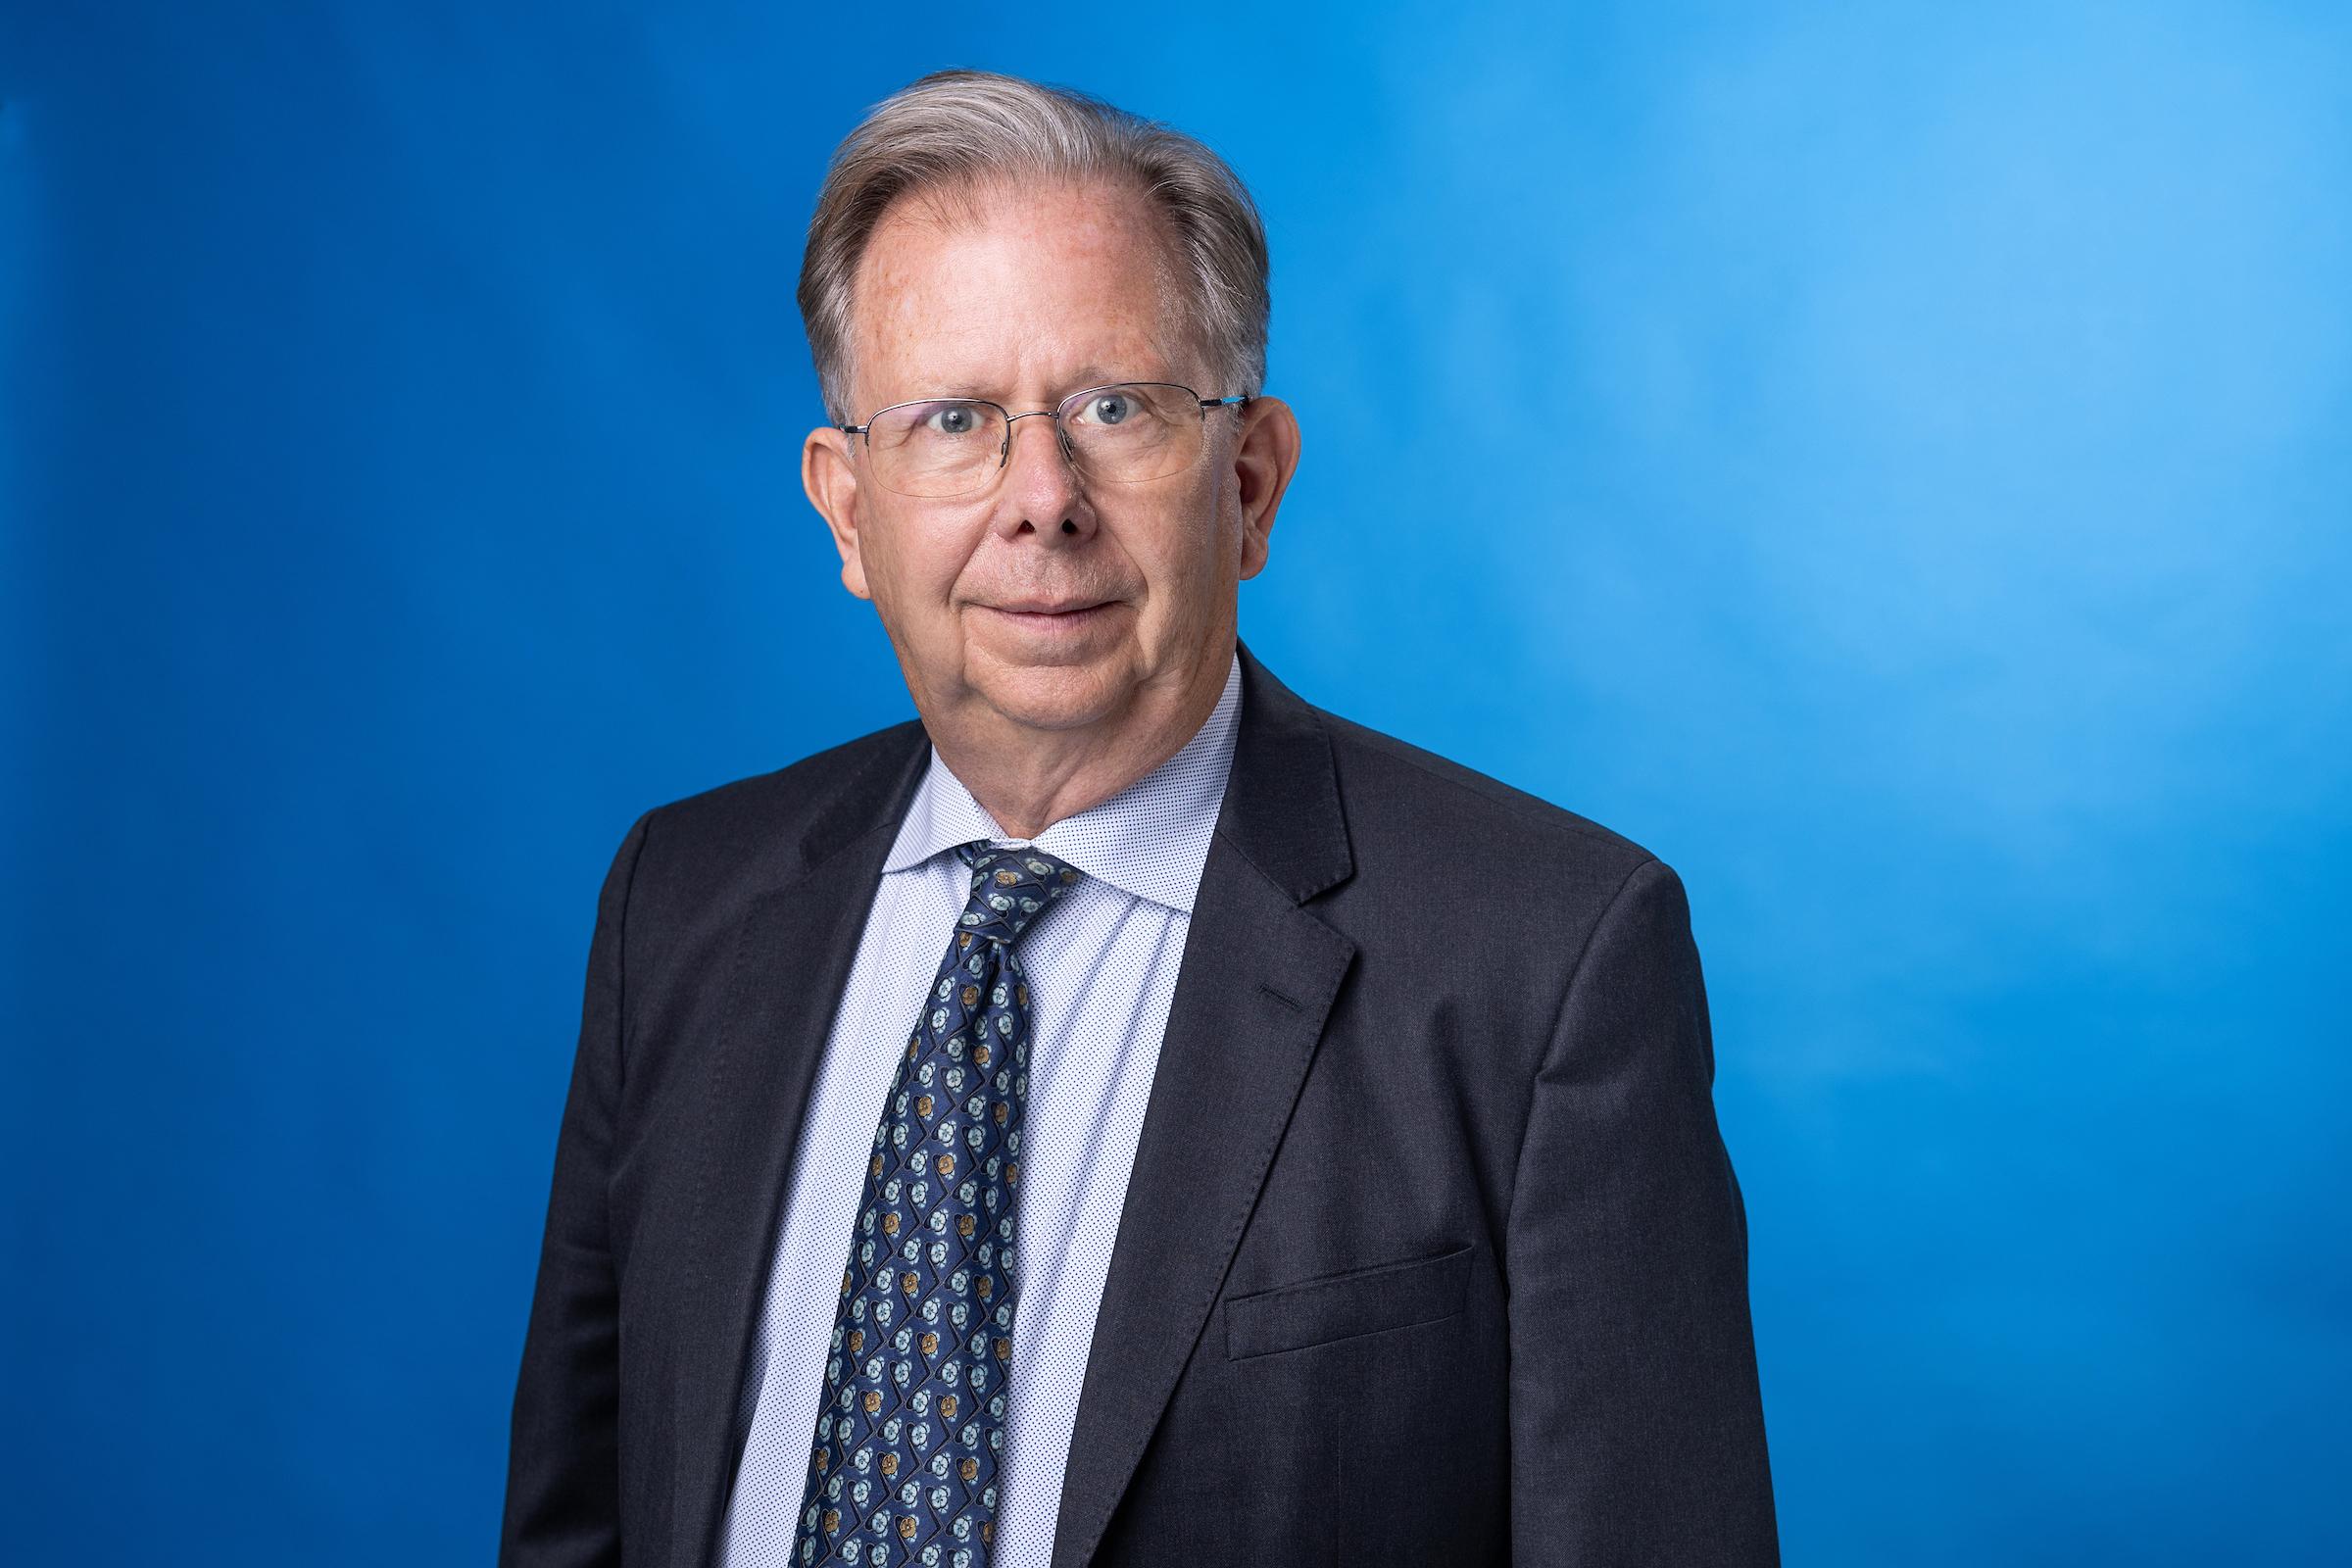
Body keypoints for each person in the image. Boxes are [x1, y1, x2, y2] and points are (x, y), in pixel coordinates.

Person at [500, 69, 1778, 1568]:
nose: (1041, 497)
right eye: (956, 419)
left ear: (1250, 482)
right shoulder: (684, 903)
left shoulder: (1544, 962)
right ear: (849, 512)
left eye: (1115, 407)